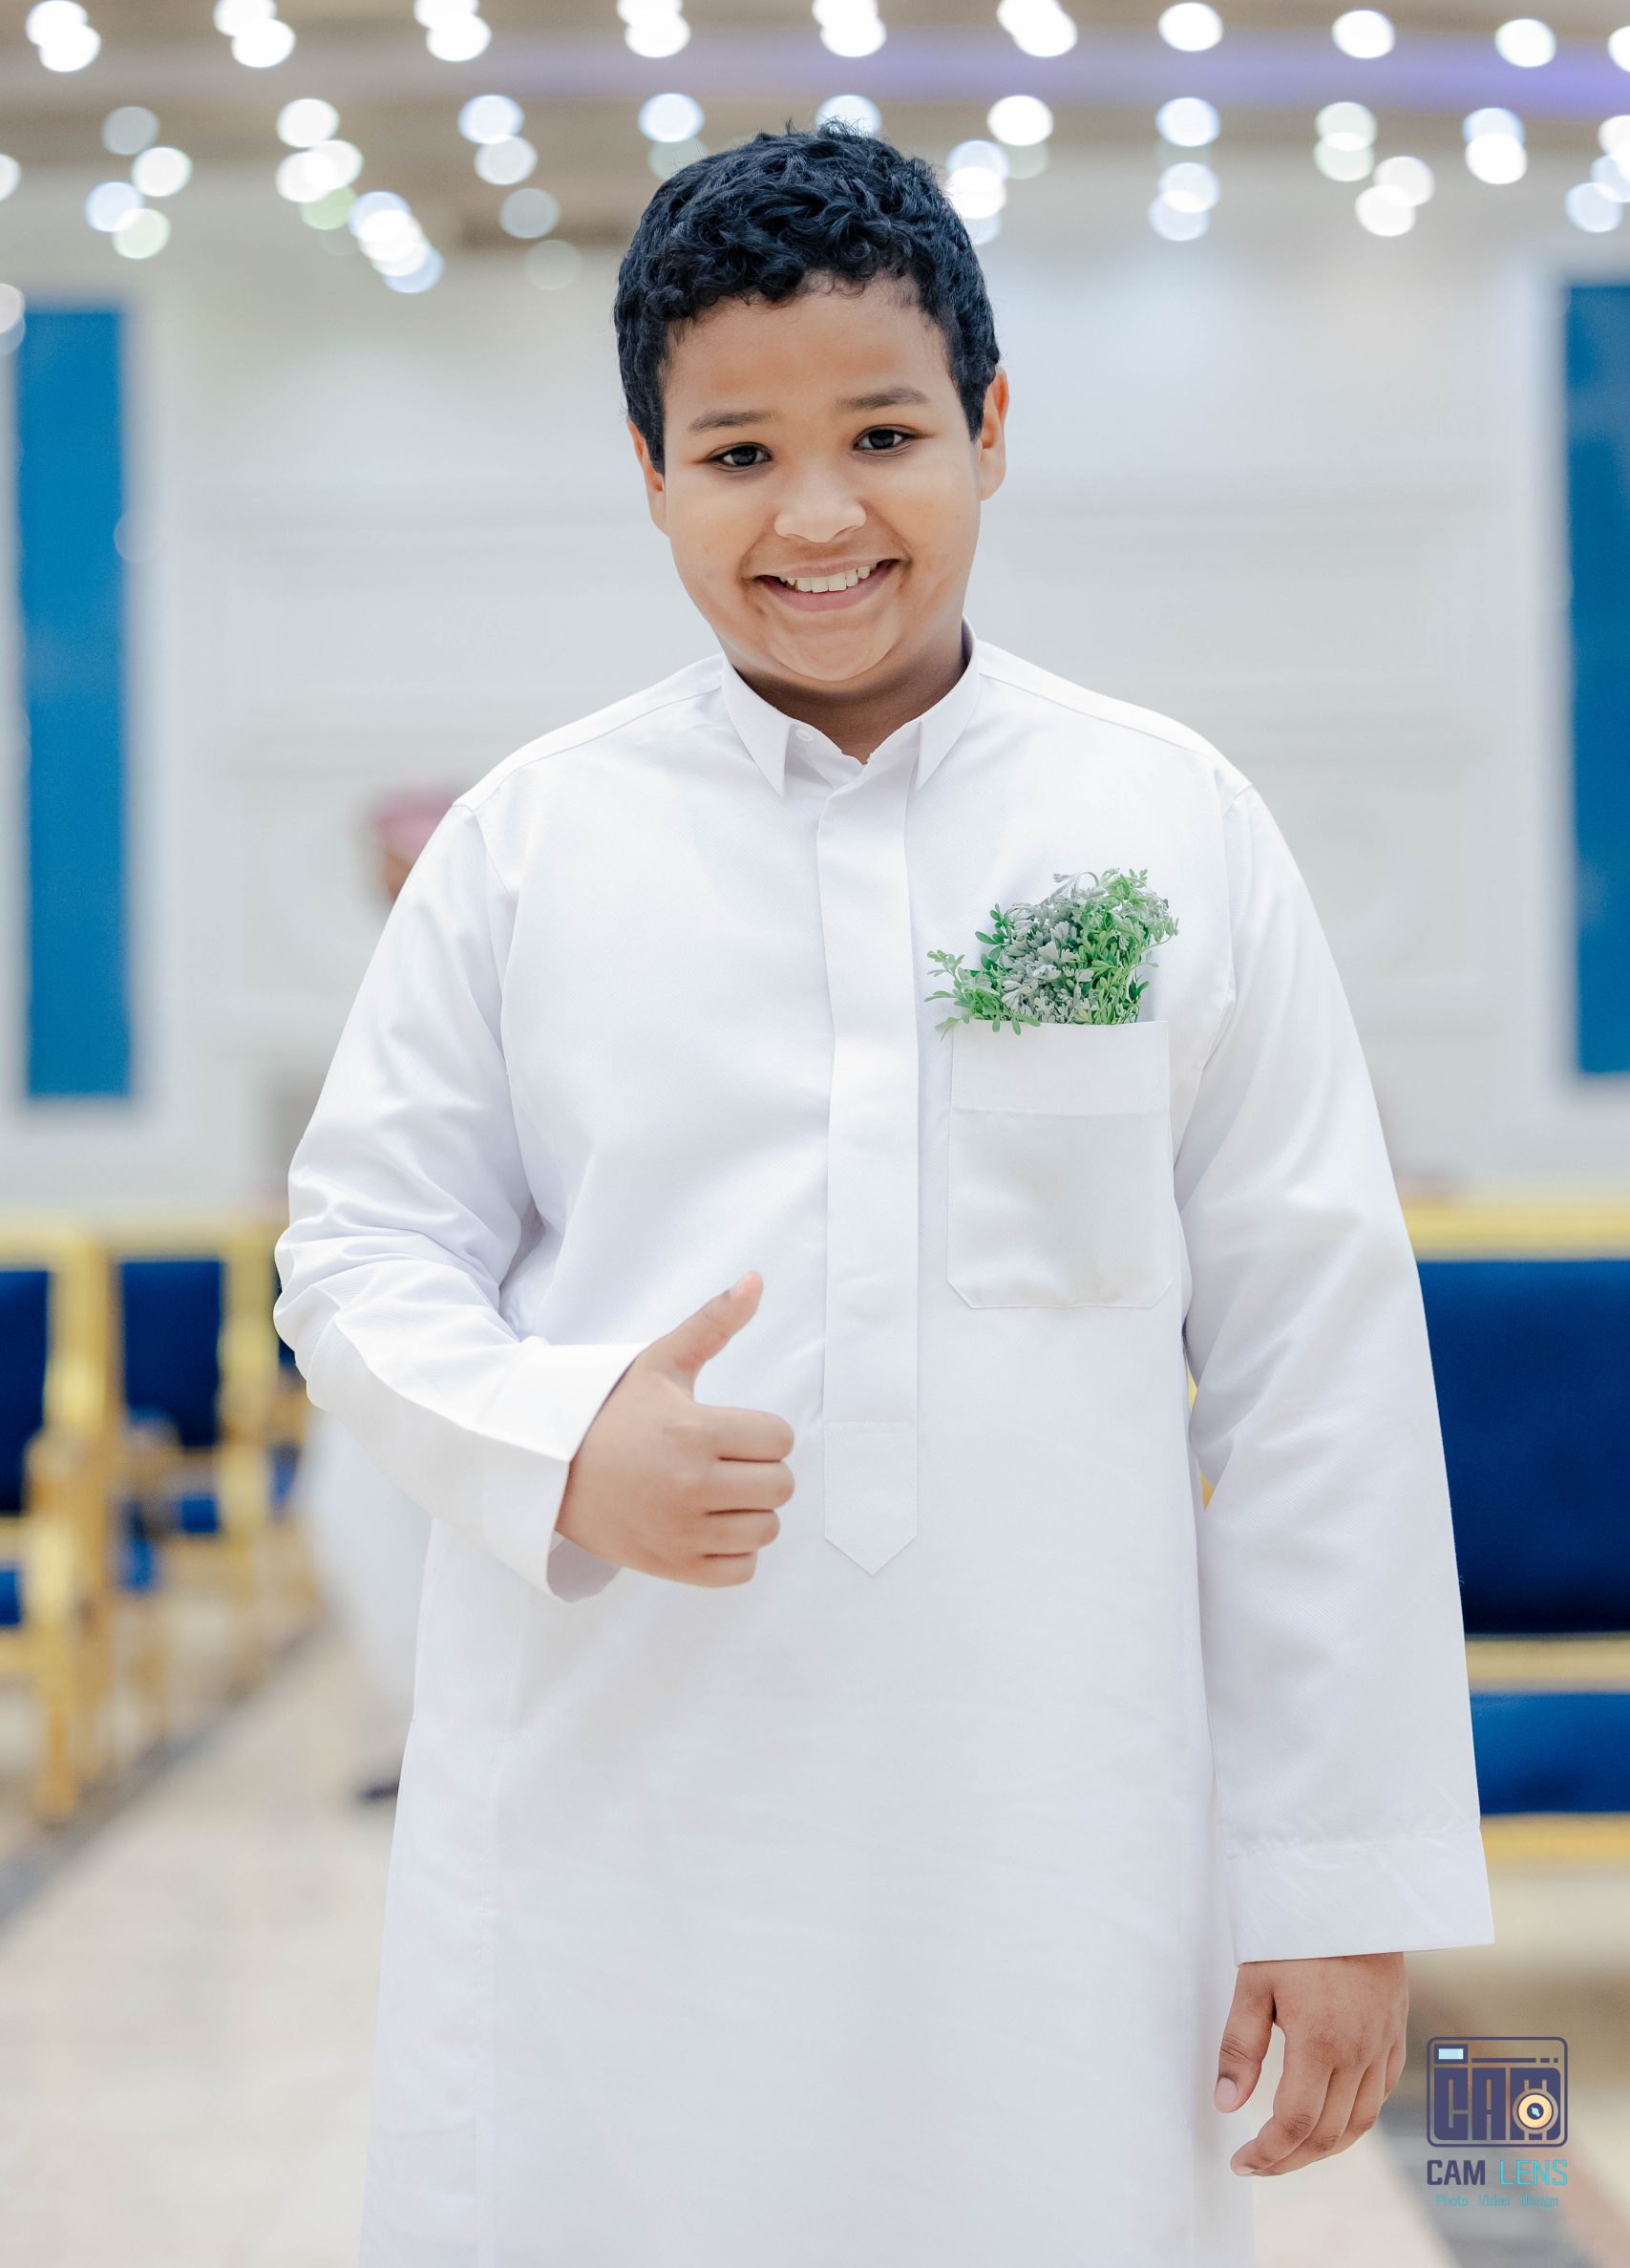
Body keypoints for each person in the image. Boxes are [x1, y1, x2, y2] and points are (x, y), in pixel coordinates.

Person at [273, 125, 1493, 2268]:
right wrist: (564, 1440)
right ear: (648, 472)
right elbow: (357, 1252)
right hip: (621, 1825)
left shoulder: (1165, 820)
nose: (818, 514)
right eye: (737, 453)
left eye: (883, 435)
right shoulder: (527, 848)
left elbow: (1317, 1367)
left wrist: (1337, 1881)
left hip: (1057, 1827)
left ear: (991, 428)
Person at [292, 790, 454, 1797]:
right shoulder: (379, 972)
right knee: (351, 1507)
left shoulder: (503, 952)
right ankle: (427, 1731)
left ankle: (454, 1736)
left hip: (483, 1292)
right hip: (386, 1292)